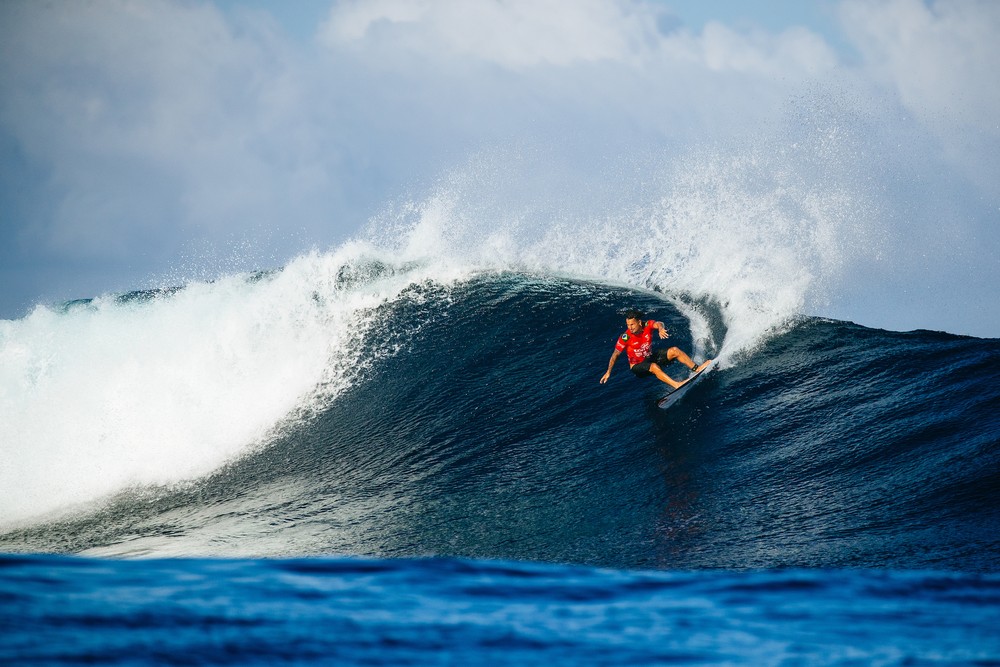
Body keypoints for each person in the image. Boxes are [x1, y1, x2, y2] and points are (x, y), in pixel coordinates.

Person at [599, 309, 711, 389]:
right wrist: (608, 372)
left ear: (639, 322)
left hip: (649, 357)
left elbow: (658, 323)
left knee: (675, 350)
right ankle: (677, 385)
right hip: (637, 366)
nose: (630, 327)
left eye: (632, 324)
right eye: (628, 325)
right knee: (653, 366)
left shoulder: (647, 325)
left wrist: (660, 329)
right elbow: (615, 354)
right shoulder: (626, 337)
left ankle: (696, 368)